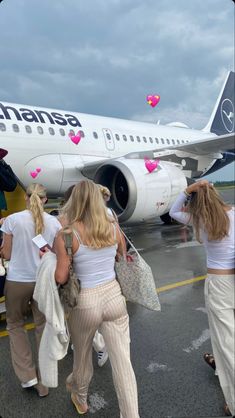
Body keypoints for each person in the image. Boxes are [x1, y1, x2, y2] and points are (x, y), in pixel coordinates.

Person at [55, 180, 139, 417]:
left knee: (82, 356)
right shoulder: (112, 225)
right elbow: (122, 253)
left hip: (85, 300)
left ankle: (81, 398)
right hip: (114, 295)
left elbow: (61, 276)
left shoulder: (67, 234)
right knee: (123, 362)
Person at [169, 180, 235, 417]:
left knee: (226, 343)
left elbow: (173, 211)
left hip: (219, 283)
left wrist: (187, 190)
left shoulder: (200, 220)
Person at [0, 183, 61, 397]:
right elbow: (55, 252)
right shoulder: (54, 223)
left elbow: (6, 255)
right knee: (42, 326)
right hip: (43, 280)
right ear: (45, 200)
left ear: (26, 197)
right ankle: (45, 379)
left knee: (15, 325)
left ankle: (29, 377)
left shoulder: (12, 220)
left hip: (17, 281)